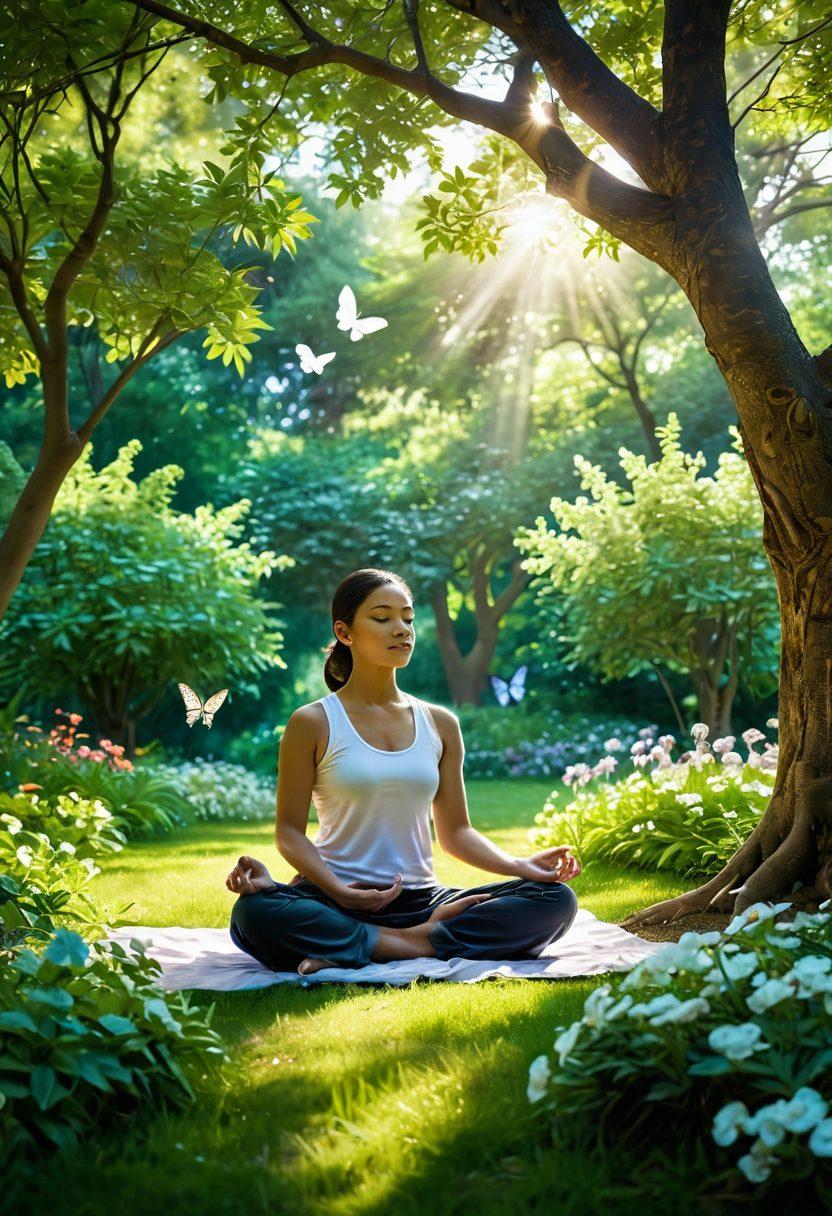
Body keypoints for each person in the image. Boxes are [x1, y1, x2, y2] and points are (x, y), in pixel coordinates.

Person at [227, 567, 580, 977]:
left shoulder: (440, 723)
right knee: (254, 912)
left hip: (425, 902)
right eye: (382, 618)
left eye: (408, 618)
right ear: (345, 632)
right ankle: (419, 943)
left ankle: (367, 945)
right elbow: (289, 832)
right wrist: (339, 890)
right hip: (334, 896)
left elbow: (456, 833)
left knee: (554, 901)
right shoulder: (313, 722)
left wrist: (521, 865)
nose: (401, 629)